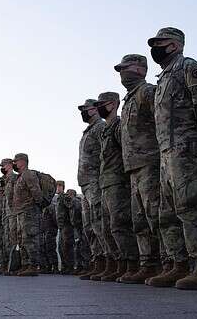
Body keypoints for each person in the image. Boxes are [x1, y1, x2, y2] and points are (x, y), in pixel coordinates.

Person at [148, 27, 197, 290]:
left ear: (175, 45)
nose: (156, 48)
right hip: (166, 153)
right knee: (167, 213)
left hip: (186, 148)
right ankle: (178, 264)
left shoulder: (187, 67)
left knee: (191, 206)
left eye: (160, 43)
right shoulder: (163, 78)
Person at [115, 54, 166, 284]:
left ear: (139, 69)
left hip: (150, 162)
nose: (122, 74)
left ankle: (168, 262)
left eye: (125, 69)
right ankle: (148, 263)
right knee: (139, 220)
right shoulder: (129, 101)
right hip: (134, 167)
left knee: (156, 214)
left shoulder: (147, 92)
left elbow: (162, 121)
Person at [93, 92, 139, 282]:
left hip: (118, 181)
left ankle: (132, 264)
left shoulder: (118, 126)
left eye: (101, 104)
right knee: (108, 227)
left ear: (112, 105)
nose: (98, 108)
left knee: (120, 224)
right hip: (106, 183)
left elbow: (125, 151)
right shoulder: (105, 129)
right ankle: (119, 264)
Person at [77, 99, 107, 280]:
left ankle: (109, 260)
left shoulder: (100, 128)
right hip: (86, 183)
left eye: (85, 109)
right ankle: (98, 261)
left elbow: (108, 154)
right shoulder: (88, 131)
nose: (83, 112)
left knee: (99, 222)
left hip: (96, 181)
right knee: (89, 226)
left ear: (95, 109)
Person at [12, 153, 43, 276]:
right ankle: (25, 264)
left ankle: (33, 265)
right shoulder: (20, 177)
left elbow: (36, 192)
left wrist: (37, 206)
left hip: (29, 211)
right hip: (21, 211)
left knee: (30, 238)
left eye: (16, 161)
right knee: (22, 239)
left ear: (23, 162)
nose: (14, 164)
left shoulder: (28, 174)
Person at [56, 181, 75, 274]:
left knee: (67, 246)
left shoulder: (64, 197)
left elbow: (71, 207)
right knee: (61, 247)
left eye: (59, 186)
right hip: (61, 226)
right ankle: (65, 266)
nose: (57, 188)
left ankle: (70, 266)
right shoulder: (58, 198)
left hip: (66, 225)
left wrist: (71, 220)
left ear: (62, 187)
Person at [71, 191, 92, 275]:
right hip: (78, 226)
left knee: (83, 247)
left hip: (81, 226)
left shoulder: (77, 202)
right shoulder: (78, 202)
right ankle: (80, 266)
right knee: (78, 247)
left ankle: (85, 266)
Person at [41, 182, 59, 274]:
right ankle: (47, 265)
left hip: (50, 230)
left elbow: (55, 219)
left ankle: (54, 265)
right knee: (44, 247)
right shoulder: (43, 206)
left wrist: (55, 227)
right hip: (44, 230)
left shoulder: (50, 206)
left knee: (50, 247)